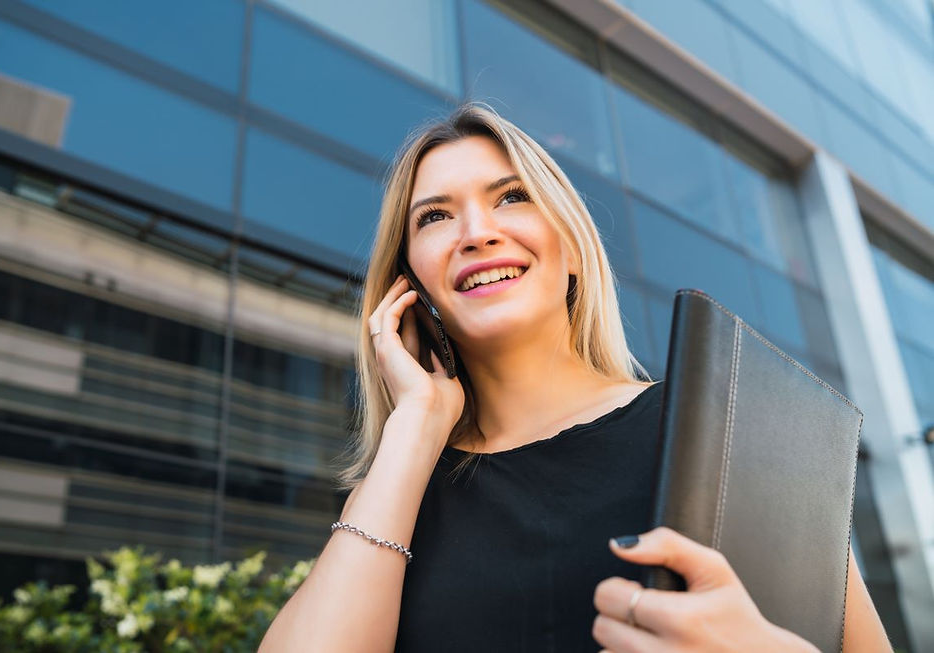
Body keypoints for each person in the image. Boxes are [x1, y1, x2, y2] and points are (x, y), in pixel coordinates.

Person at [258, 103, 891, 652]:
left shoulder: (726, 432)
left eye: (512, 197)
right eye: (434, 217)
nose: (477, 233)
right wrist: (414, 425)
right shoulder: (401, 486)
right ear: (410, 284)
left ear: (571, 248)